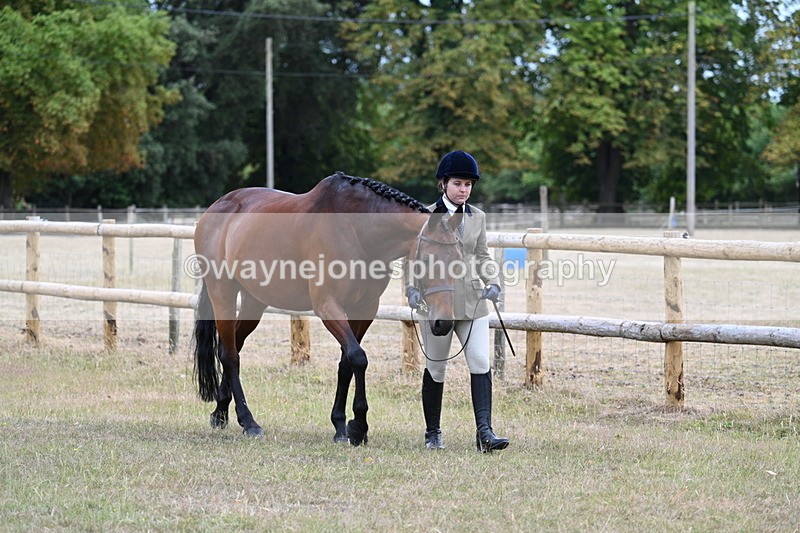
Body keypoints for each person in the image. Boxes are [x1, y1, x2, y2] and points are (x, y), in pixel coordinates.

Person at [406, 149, 509, 453]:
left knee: (480, 362)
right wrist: (411, 288)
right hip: (437, 300)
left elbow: (482, 255)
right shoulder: (425, 217)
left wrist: (493, 282)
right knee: (436, 368)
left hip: (471, 300)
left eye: (468, 185)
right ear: (443, 183)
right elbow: (412, 258)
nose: (464, 190)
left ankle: (485, 433)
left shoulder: (478, 217)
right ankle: (433, 432)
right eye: (458, 184)